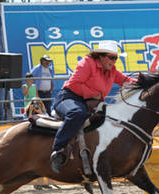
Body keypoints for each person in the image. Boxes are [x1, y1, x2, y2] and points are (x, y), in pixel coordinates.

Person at [50, 40, 137, 173]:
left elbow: (127, 81)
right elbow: (74, 84)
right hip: (69, 97)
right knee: (76, 113)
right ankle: (58, 150)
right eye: (111, 57)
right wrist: (94, 95)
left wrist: (148, 82)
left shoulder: (112, 71)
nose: (114, 61)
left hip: (89, 103)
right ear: (101, 56)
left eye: (116, 58)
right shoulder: (87, 63)